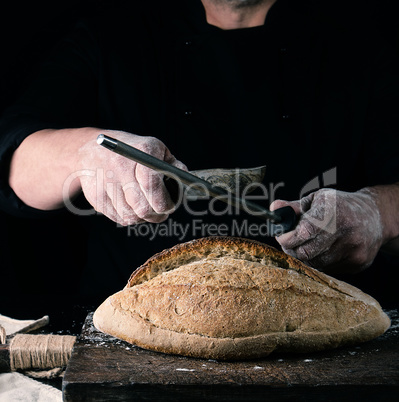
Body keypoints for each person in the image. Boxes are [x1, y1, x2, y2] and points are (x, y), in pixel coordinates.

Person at [1, 0, 398, 307]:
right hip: (129, 336)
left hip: (322, 333)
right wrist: (84, 155)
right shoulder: (113, 33)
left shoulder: (360, 42)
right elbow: (13, 160)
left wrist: (377, 213)